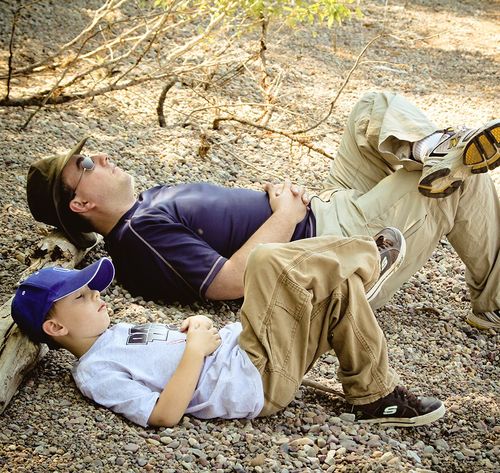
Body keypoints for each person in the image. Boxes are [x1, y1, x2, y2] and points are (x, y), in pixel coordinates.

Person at [26, 92, 500, 329]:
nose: (102, 156)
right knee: (455, 181)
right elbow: (229, 283)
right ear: (81, 203)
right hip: (331, 244)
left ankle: (434, 147)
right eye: (85, 164)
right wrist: (284, 217)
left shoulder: (145, 208)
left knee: (371, 108)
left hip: (325, 207)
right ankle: (493, 303)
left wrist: (280, 204)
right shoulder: (141, 235)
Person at [11, 230, 447, 428]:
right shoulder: (94, 370)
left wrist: (196, 328)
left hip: (248, 355)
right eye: (82, 297)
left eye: (92, 289)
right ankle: (371, 259)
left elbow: (182, 351)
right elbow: (162, 414)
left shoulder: (117, 332)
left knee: (339, 290)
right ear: (55, 325)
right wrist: (196, 351)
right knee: (266, 262)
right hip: (251, 376)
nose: (97, 296)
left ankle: (378, 399)